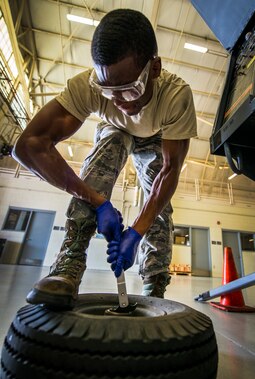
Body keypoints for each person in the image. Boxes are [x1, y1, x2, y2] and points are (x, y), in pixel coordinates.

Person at [12, 8, 197, 308]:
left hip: (156, 135)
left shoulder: (176, 96)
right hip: (115, 129)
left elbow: (170, 171)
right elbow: (29, 146)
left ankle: (154, 279)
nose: (120, 101)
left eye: (129, 89)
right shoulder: (89, 86)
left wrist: (137, 230)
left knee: (157, 198)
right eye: (108, 90)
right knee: (102, 158)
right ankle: (69, 263)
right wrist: (98, 202)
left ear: (155, 68)